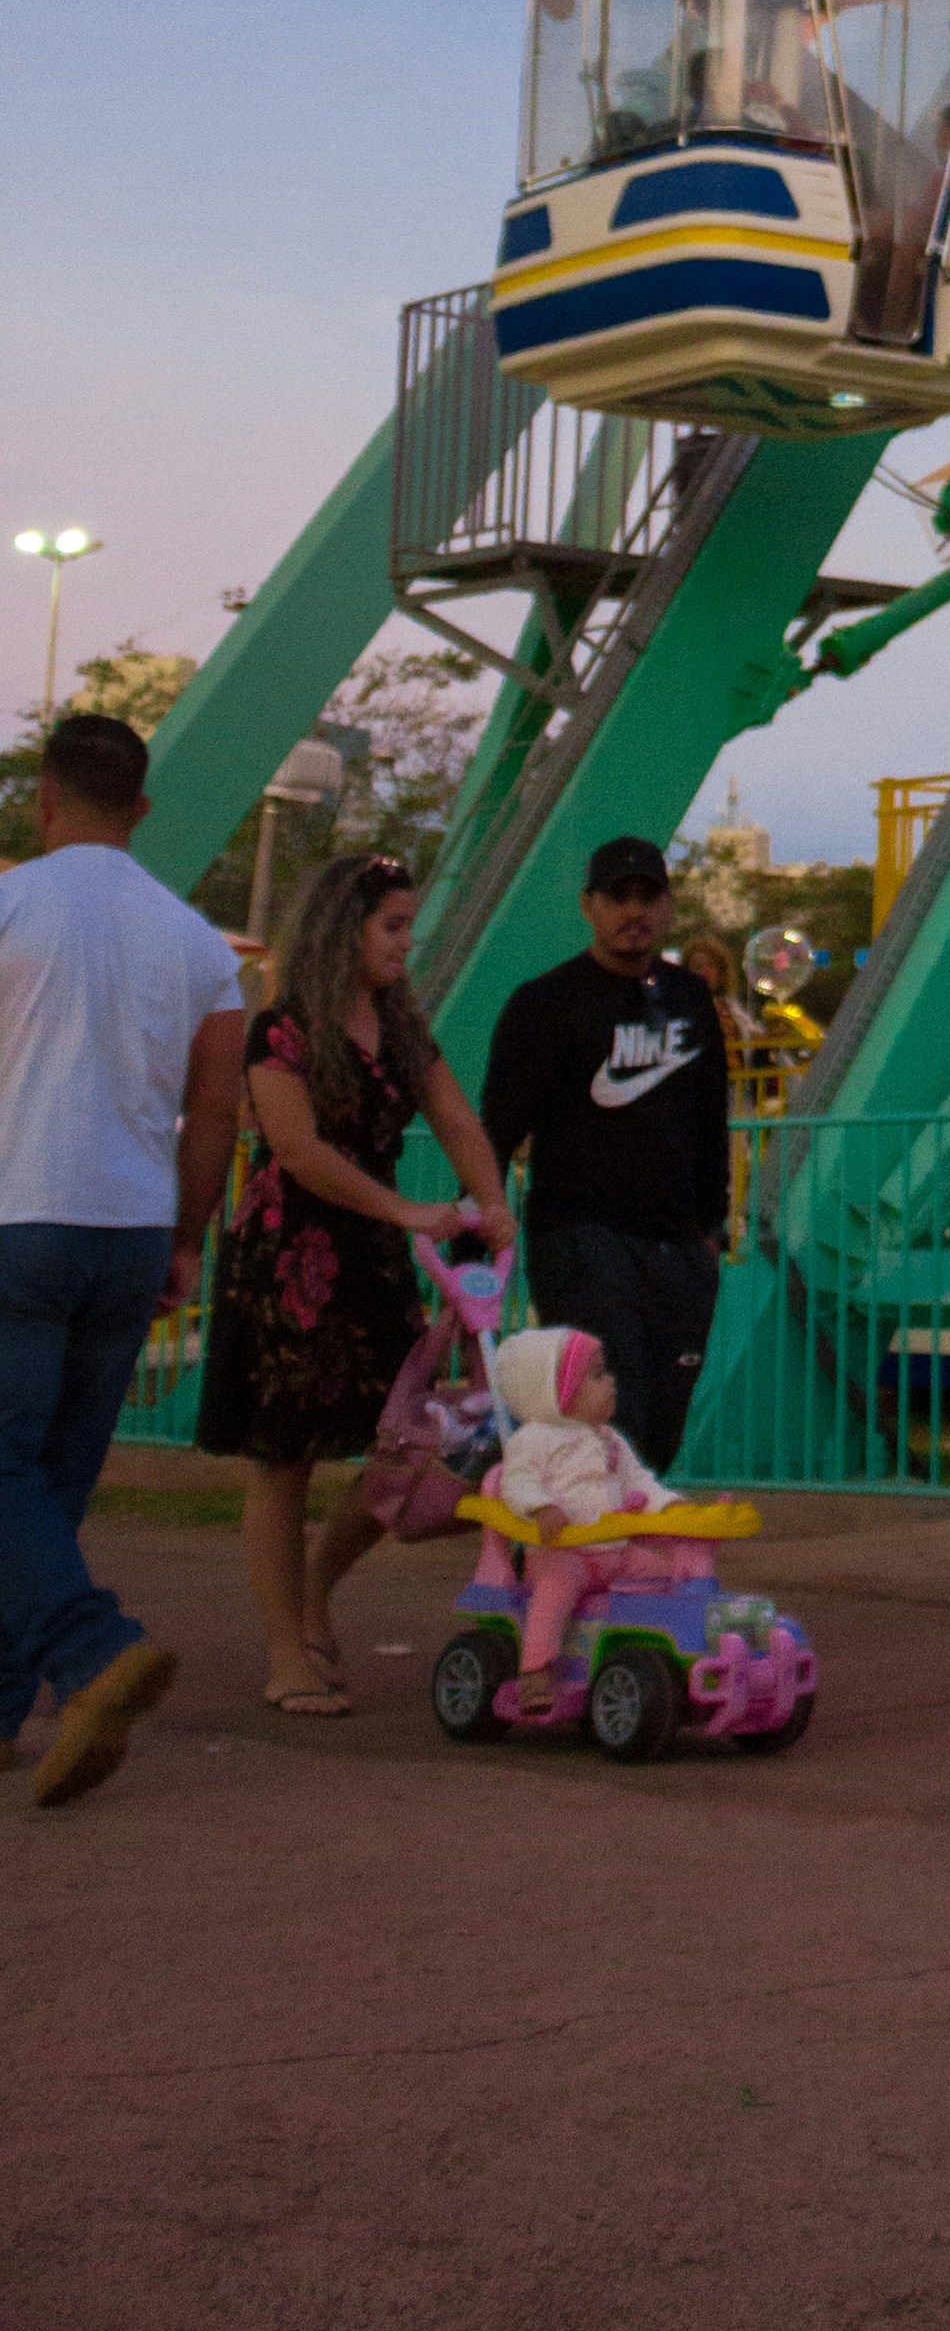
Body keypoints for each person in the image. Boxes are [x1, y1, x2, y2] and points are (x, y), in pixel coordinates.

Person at [196, 845, 512, 1710]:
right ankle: (283, 1655)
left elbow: (454, 1115)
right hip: (290, 1253)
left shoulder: (404, 1028)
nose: (407, 943)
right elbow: (296, 1151)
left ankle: (314, 1594)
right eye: (394, 925)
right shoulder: (283, 1028)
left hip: (370, 1253)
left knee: (401, 1444)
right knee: (283, 1456)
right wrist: (411, 1213)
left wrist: (493, 1198)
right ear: (348, 930)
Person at [0, 712, 246, 1811]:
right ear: (141, 808)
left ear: (44, 799)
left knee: (5, 1469)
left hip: (21, 1214)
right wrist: (186, 1236)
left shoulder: (10, 905)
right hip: (131, 1229)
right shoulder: (199, 943)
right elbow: (217, 1110)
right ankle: (9, 1711)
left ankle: (95, 1651)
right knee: (51, 1481)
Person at [480, 836, 732, 1466]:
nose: (633, 912)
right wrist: (473, 1239)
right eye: (617, 898)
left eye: (648, 897)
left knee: (663, 1422)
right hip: (582, 1236)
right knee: (614, 1409)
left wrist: (711, 1227)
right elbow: (497, 1128)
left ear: (669, 907)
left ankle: (601, 1547)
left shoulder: (689, 999)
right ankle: (570, 1548)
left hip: (677, 1244)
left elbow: (709, 1116)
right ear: (588, 906)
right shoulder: (544, 1003)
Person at [487, 1320, 697, 1696]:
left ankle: (651, 1653)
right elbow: (516, 1483)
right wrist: (541, 1507)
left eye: (607, 1372)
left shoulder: (611, 1441)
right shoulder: (534, 1439)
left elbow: (639, 1483)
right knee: (555, 1590)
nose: (611, 1381)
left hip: (614, 1551)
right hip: (563, 1552)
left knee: (667, 1576)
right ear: (557, 1393)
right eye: (597, 1375)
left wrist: (668, 1506)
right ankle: (536, 1669)